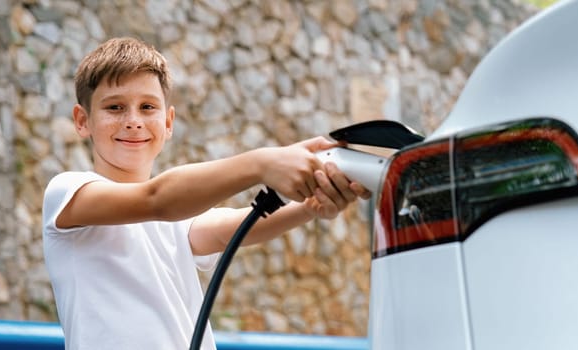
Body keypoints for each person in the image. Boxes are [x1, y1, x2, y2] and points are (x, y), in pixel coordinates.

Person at [42, 37, 370, 350]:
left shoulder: (179, 220)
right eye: (114, 107)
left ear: (168, 123)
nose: (133, 121)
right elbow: (157, 199)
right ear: (82, 121)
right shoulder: (68, 192)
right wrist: (262, 162)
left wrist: (311, 204)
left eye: (147, 106)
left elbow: (239, 225)